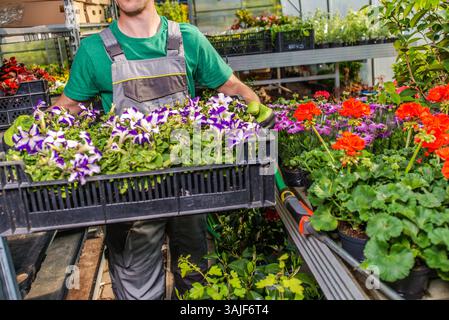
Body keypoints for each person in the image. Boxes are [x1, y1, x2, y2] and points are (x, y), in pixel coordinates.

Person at [54, 0, 260, 300]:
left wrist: (263, 125)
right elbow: (66, 108)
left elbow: (232, 87)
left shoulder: (188, 39)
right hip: (128, 196)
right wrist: (26, 148)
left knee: (195, 281)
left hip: (188, 187)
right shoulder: (94, 50)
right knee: (138, 290)